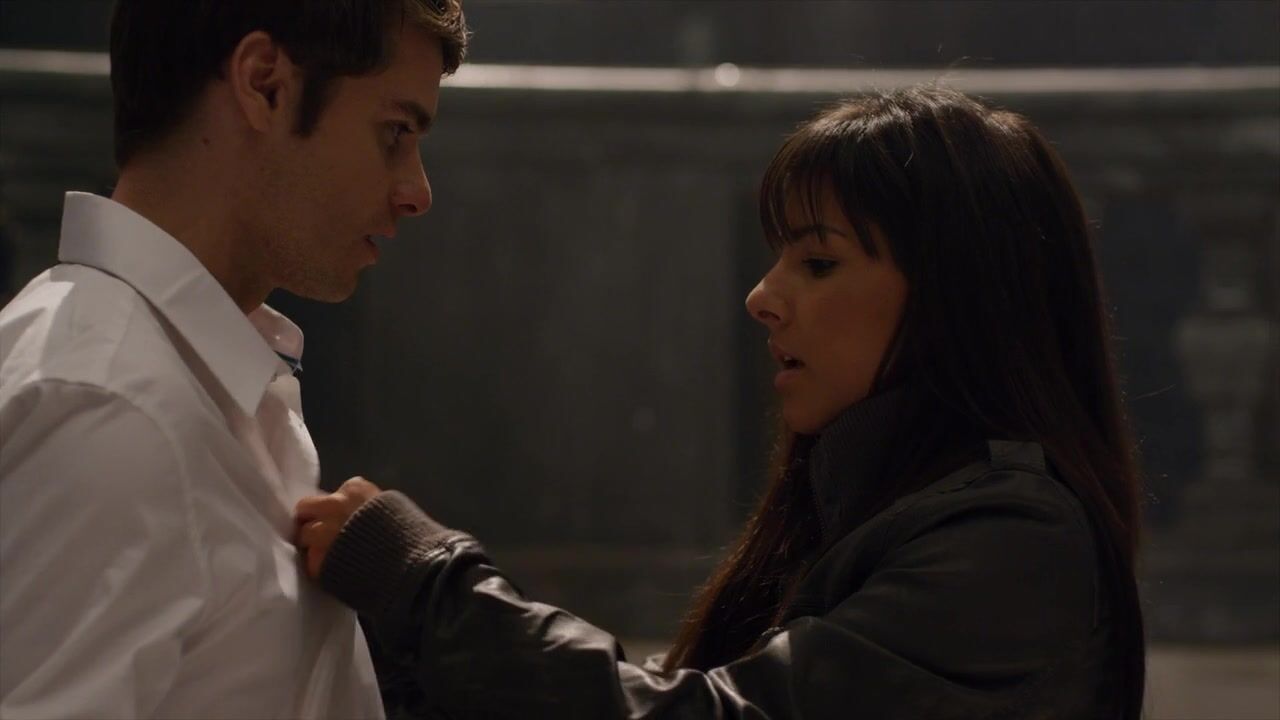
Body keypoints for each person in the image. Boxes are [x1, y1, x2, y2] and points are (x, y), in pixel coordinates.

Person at [295, 85, 1146, 719]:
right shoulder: (874, 508)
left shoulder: (1014, 544)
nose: (762, 297)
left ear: (960, 295)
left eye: (818, 263)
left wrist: (429, 584)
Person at [0, 1, 467, 717]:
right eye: (395, 132)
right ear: (264, 84)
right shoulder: (110, 407)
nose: (417, 191)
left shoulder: (187, 374)